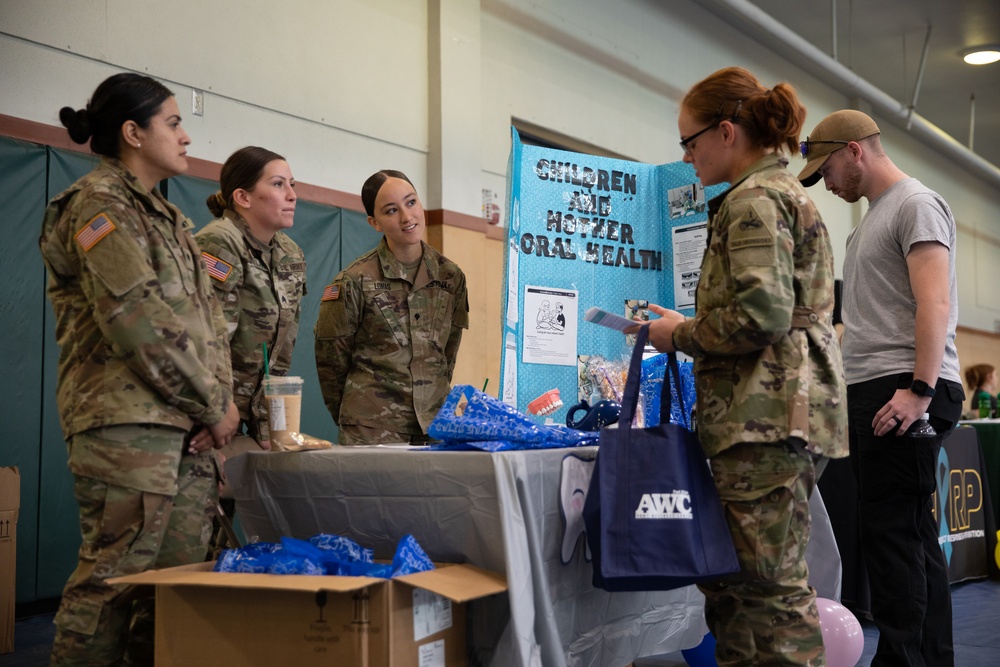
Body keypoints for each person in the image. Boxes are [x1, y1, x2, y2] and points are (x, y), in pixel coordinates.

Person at [643, 67, 848, 666]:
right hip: (772, 416)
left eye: (690, 141)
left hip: (766, 420)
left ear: (726, 132)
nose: (686, 156)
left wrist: (676, 333)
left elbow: (763, 313)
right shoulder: (776, 195)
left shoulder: (755, 201)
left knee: (768, 591)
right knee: (737, 587)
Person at [39, 73, 239, 665]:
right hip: (128, 428)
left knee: (174, 592)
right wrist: (213, 405)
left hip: (187, 430)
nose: (185, 136)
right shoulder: (98, 205)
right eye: (173, 123)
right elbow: (138, 321)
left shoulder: (172, 221)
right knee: (113, 585)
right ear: (133, 132)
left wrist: (216, 410)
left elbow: (205, 327)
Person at [799, 108, 964, 667]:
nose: (825, 181)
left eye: (826, 169)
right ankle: (925, 657)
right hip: (878, 388)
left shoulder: (915, 205)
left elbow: (934, 300)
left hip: (906, 387)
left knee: (895, 542)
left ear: (855, 151)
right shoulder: (871, 221)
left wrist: (919, 389)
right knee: (906, 539)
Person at [314, 170, 469, 445]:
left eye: (411, 202)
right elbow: (331, 363)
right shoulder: (354, 280)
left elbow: (447, 353)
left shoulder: (450, 276)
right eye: (391, 210)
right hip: (371, 429)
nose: (407, 217)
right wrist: (356, 415)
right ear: (374, 222)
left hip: (433, 428)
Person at [195, 146, 306, 454]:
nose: (292, 195)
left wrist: (267, 421)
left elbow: (283, 343)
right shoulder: (220, 241)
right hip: (211, 409)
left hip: (255, 412)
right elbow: (206, 338)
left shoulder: (288, 251)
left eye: (292, 184)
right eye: (278, 184)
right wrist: (213, 410)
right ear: (243, 197)